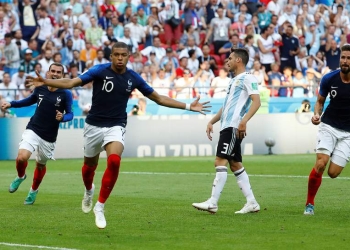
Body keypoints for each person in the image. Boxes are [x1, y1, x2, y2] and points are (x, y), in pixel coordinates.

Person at [26, 42, 211, 229]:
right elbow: (71, 83)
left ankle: (100, 206)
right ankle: (89, 191)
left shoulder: (133, 78)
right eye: (116, 55)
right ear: (111, 56)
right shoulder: (99, 70)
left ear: (129, 56)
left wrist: (188, 106)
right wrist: (47, 81)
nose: (120, 58)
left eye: (124, 55)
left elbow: (159, 98)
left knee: (114, 160)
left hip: (116, 125)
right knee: (89, 168)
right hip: (93, 126)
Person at [192, 48, 261, 214]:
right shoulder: (233, 81)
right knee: (235, 164)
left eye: (230, 58)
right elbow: (227, 106)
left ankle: (213, 202)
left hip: (233, 126)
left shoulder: (248, 77)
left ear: (238, 60)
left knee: (219, 161)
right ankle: (252, 202)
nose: (227, 61)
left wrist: (244, 121)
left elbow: (256, 102)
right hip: (226, 125)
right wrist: (211, 121)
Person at [1, 63, 73, 205]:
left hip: (49, 136)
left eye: (59, 72)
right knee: (22, 158)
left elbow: (70, 114)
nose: (55, 74)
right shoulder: (40, 88)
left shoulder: (66, 93)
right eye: (53, 71)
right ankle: (21, 176)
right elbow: (29, 100)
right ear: (48, 73)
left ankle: (33, 190)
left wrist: (63, 118)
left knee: (40, 165)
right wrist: (11, 104)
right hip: (34, 128)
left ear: (63, 76)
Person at [304, 44, 350, 216]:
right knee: (321, 163)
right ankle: (309, 203)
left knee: (333, 173)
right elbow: (320, 102)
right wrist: (317, 114)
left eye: (348, 58)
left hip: (348, 133)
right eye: (343, 57)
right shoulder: (329, 78)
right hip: (328, 126)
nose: (345, 61)